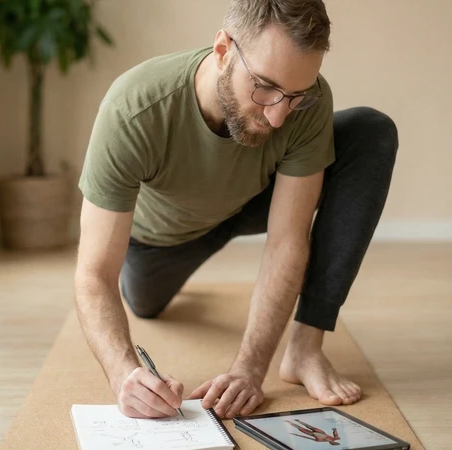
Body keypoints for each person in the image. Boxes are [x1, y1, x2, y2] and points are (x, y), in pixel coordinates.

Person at [73, 0, 398, 420]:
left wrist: (250, 368)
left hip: (250, 200)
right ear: (223, 49)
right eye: (264, 87)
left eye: (295, 96)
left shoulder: (308, 103)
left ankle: (305, 347)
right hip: (164, 239)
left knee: (370, 131)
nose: (279, 116)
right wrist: (123, 375)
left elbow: (287, 240)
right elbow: (94, 273)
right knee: (145, 303)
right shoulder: (134, 109)